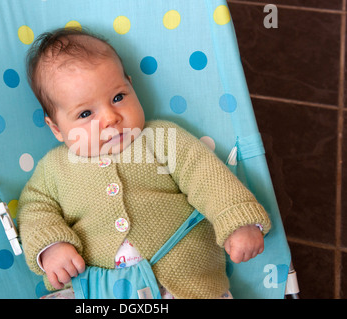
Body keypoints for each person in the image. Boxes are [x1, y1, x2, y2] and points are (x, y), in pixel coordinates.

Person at [17, 27, 271, 299]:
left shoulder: (162, 139)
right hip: (93, 289)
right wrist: (52, 247)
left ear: (131, 86)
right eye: (86, 113)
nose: (110, 118)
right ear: (56, 128)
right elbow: (34, 209)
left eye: (118, 97)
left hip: (184, 286)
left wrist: (237, 220)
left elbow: (206, 176)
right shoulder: (54, 169)